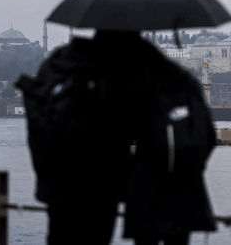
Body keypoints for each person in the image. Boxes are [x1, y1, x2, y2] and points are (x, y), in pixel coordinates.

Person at [17, 30, 217, 245]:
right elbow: (203, 134)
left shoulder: (58, 65)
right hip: (122, 186)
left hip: (58, 183)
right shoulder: (165, 74)